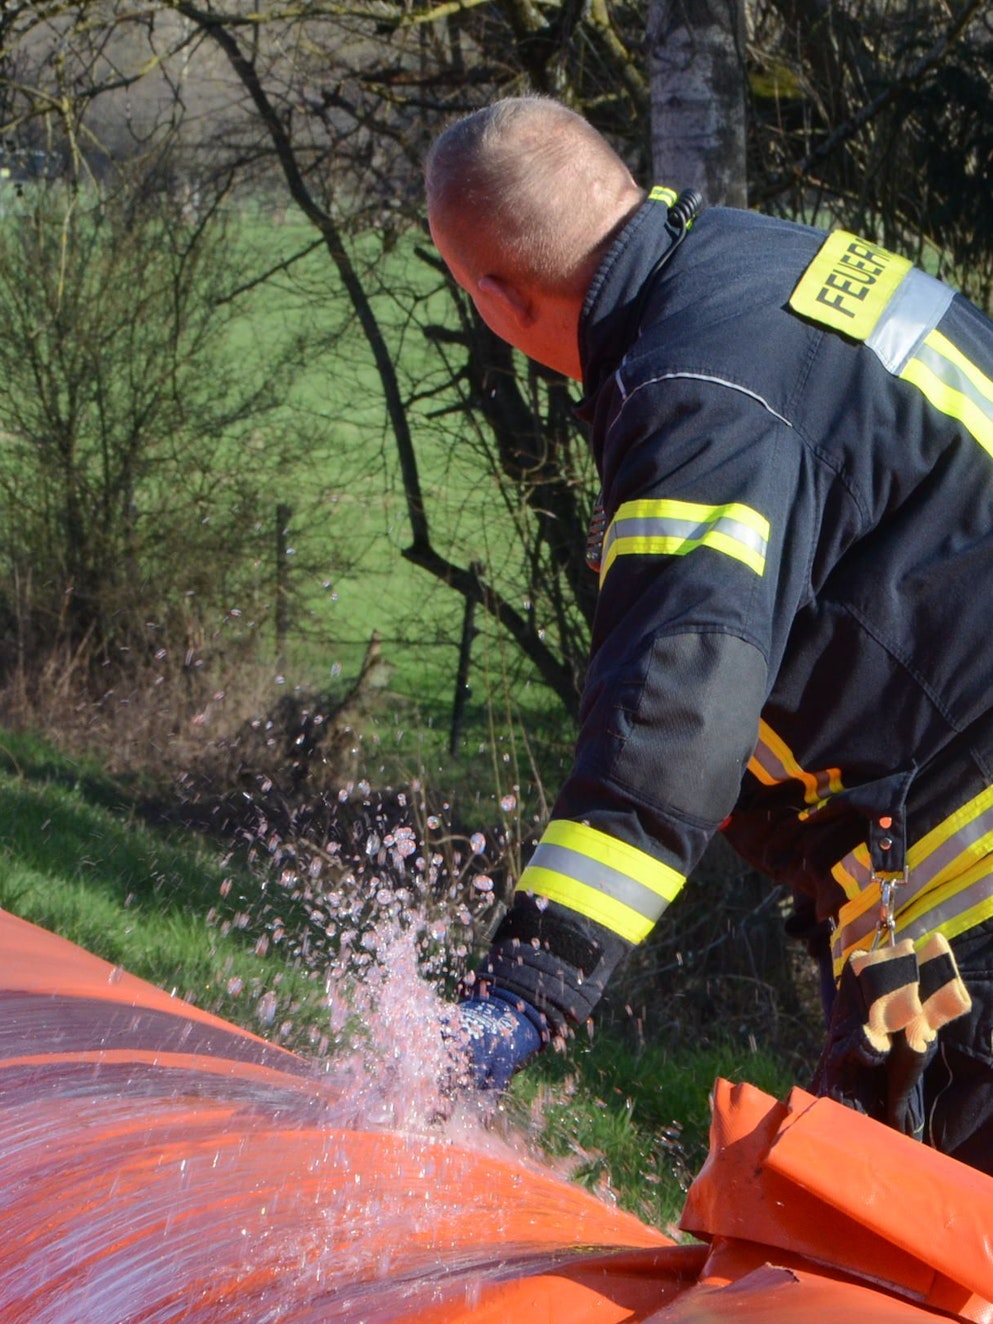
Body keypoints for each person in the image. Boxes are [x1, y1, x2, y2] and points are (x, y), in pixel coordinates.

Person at [425, 95, 993, 1173]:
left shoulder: (692, 394)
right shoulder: (765, 266)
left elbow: (676, 713)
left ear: (496, 301)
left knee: (918, 1252)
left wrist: (523, 988)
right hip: (930, 854)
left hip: (969, 890)